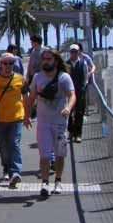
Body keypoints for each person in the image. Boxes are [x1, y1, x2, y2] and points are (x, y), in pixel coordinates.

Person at [26, 48, 76, 196]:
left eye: (49, 59)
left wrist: (68, 107)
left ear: (55, 60)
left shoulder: (64, 77)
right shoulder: (37, 77)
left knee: (60, 154)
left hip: (60, 122)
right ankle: (45, 183)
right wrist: (26, 115)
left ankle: (58, 181)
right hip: (43, 123)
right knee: (45, 155)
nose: (46, 62)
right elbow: (31, 97)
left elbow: (72, 95)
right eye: (44, 59)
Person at [0, 53, 30, 188]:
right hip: (0, 119)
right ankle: (6, 168)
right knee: (3, 147)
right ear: (0, 64)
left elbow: (26, 98)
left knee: (14, 144)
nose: (8, 66)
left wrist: (27, 116)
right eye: (5, 63)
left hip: (16, 118)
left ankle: (15, 172)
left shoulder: (20, 79)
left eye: (10, 63)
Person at [66, 45, 88, 143]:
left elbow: (86, 77)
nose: (73, 54)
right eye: (72, 52)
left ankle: (78, 134)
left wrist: (83, 88)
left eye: (75, 51)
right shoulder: (66, 64)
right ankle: (71, 131)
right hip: (68, 92)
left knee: (79, 113)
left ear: (78, 52)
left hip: (79, 91)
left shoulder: (83, 63)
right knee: (69, 113)